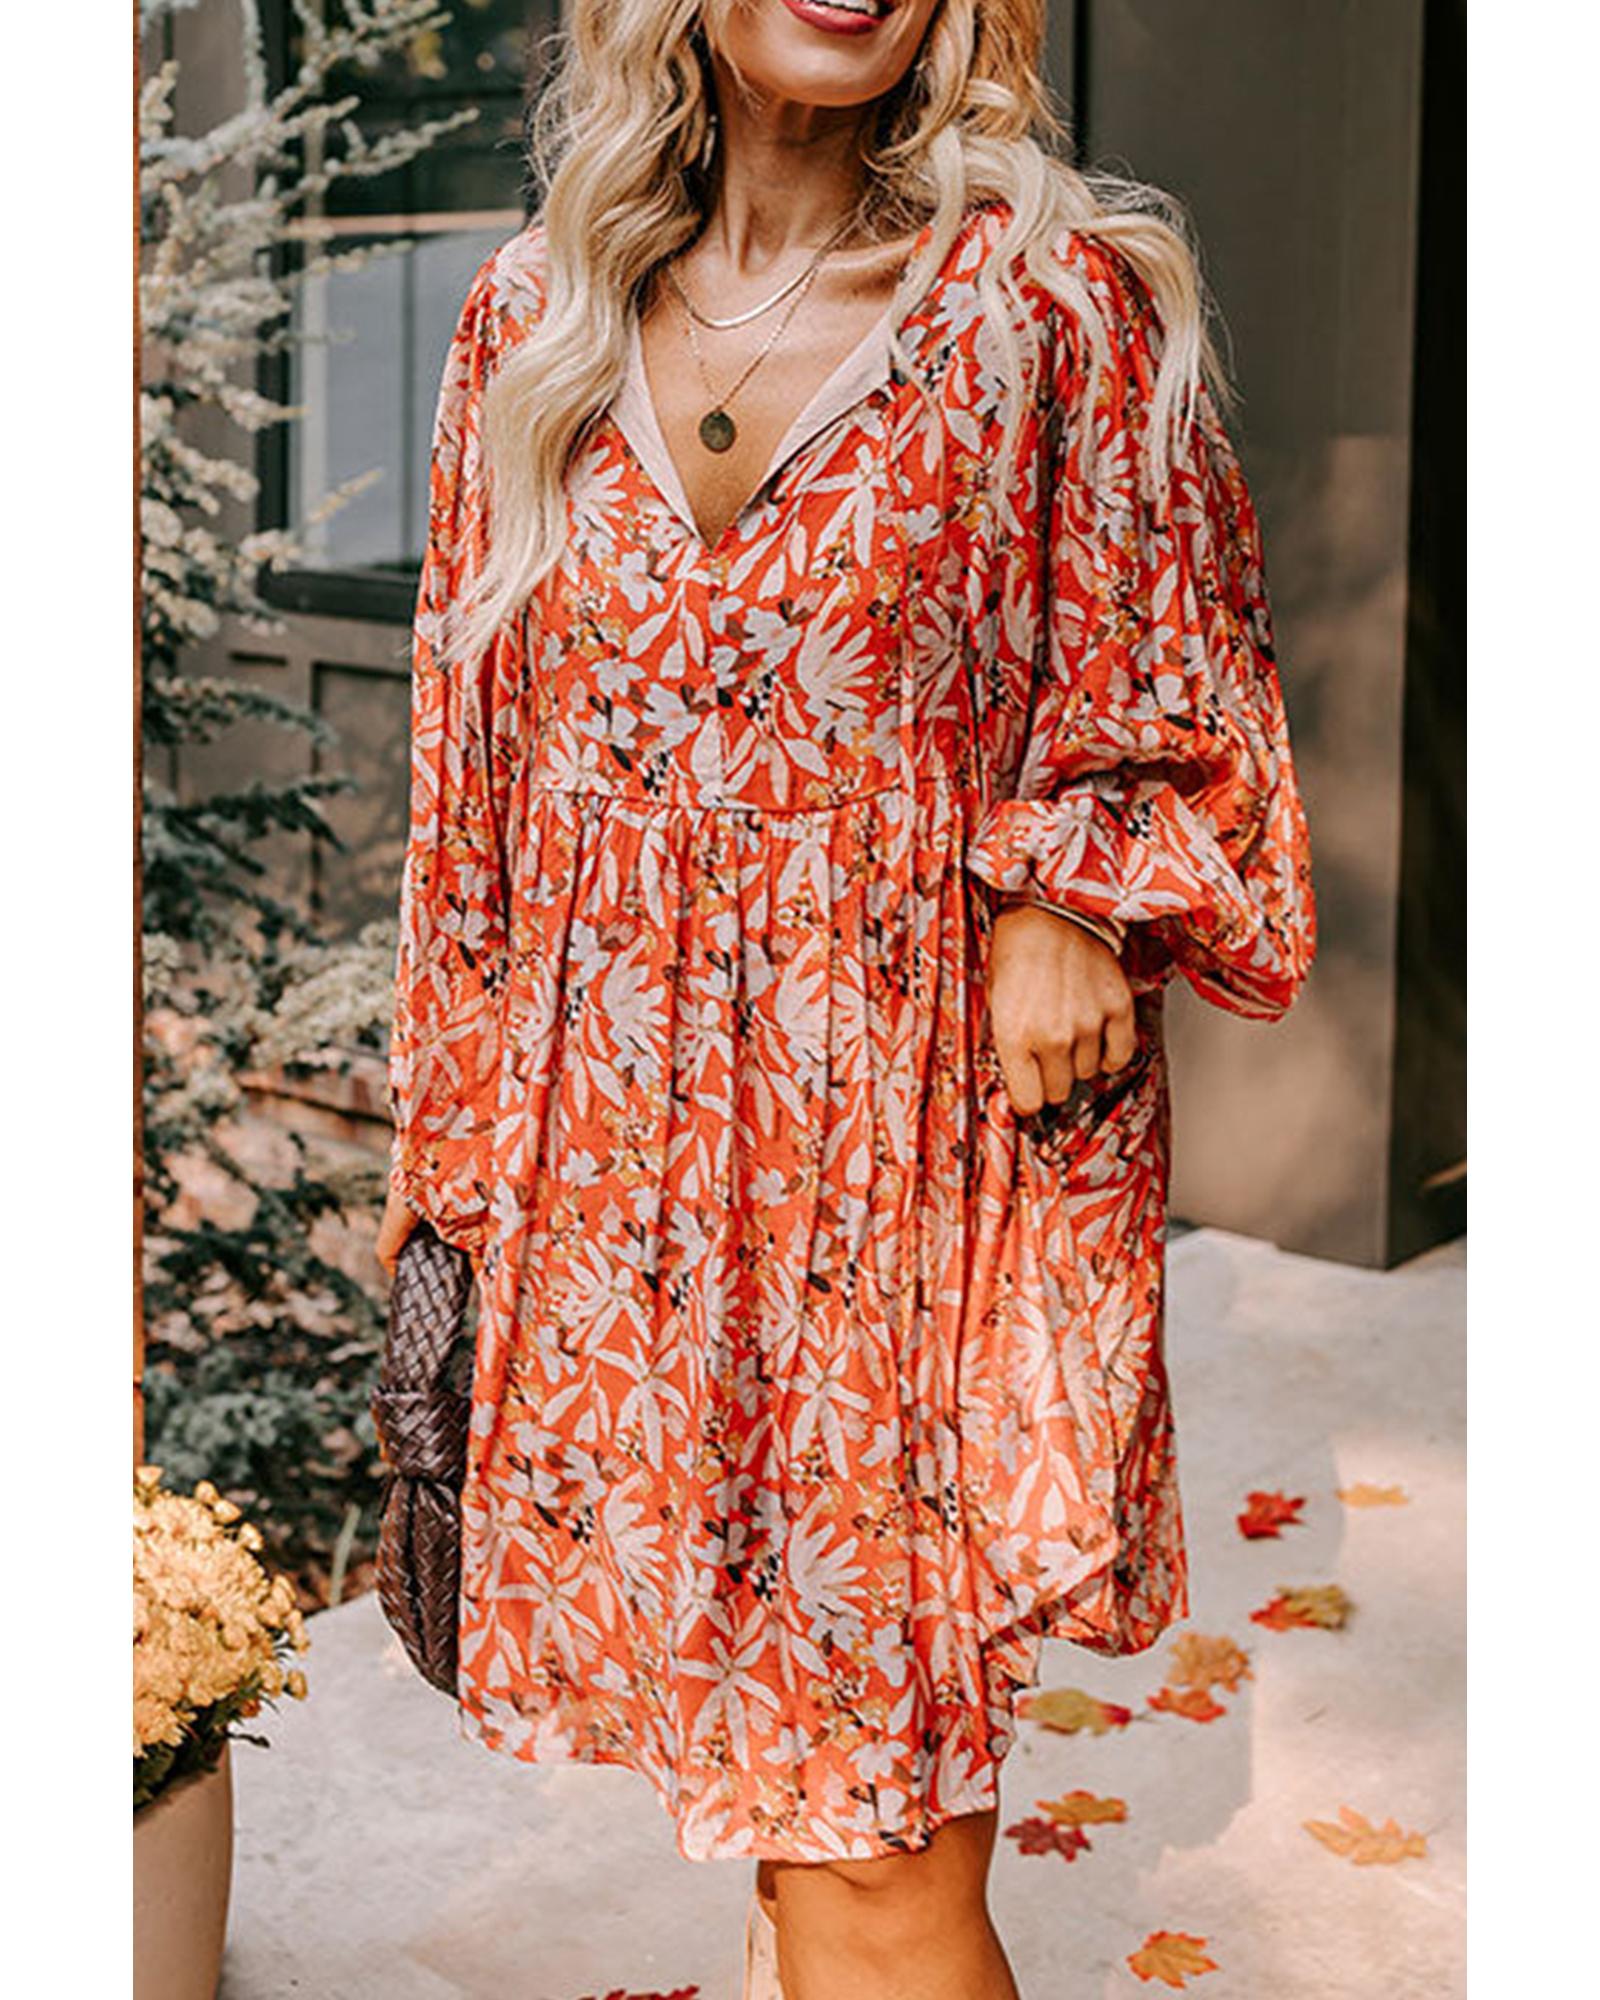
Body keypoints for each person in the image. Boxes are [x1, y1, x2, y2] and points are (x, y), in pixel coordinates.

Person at [376, 3, 1317, 1995]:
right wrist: (448, 1169)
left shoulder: (1048, 304)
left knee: (871, 1870)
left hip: (910, 1200)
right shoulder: (531, 318)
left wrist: (1065, 888)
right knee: (785, 1826)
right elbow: (467, 794)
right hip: (626, 1210)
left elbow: (1187, 683)